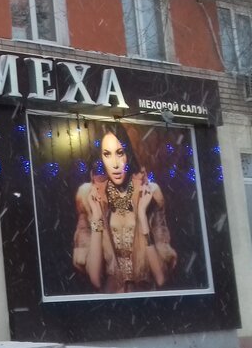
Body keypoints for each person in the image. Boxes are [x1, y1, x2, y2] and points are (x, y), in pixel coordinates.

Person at [72, 123, 176, 293]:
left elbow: (160, 277)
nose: (115, 164)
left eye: (120, 153)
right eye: (107, 154)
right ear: (100, 158)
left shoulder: (149, 192)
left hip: (145, 300)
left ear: (128, 154)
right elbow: (95, 279)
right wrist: (97, 217)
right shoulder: (88, 196)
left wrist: (142, 216)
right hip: (110, 301)